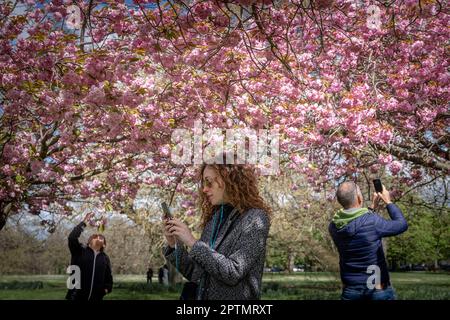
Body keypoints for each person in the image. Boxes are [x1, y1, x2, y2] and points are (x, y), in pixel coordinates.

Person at [162, 153, 271, 300]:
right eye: (203, 183)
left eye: (209, 182)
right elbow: (197, 273)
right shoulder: (215, 219)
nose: (204, 189)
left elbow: (233, 272)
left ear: (229, 180)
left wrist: (192, 242)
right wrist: (173, 243)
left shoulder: (255, 218)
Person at [329, 181, 408, 300]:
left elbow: (359, 225)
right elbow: (401, 224)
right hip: (377, 290)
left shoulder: (334, 226)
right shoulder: (372, 221)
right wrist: (388, 202)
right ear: (359, 198)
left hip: (350, 290)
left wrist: (372, 207)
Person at [65, 212, 113, 301]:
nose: (98, 236)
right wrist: (84, 222)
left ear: (104, 245)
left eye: (101, 237)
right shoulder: (79, 251)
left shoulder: (105, 258)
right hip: (76, 296)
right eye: (95, 236)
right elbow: (72, 238)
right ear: (89, 241)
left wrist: (106, 290)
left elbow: (108, 278)